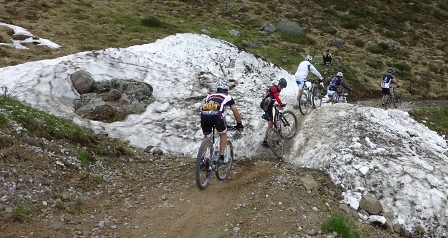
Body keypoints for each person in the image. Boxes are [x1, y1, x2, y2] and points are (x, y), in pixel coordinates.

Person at [200, 81, 244, 163]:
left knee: (206, 136)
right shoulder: (228, 97)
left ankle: (201, 159)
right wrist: (239, 124)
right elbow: (235, 112)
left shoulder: (209, 96)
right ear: (226, 91)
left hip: (204, 115)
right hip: (217, 115)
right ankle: (221, 157)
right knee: (223, 134)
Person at [260, 78, 287, 147]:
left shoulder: (278, 90)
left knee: (270, 125)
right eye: (281, 87)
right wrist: (281, 104)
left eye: (283, 88)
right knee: (268, 100)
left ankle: (265, 141)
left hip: (269, 106)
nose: (281, 88)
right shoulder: (274, 88)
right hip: (264, 104)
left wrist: (275, 104)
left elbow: (274, 98)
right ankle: (265, 114)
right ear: (278, 84)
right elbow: (275, 97)